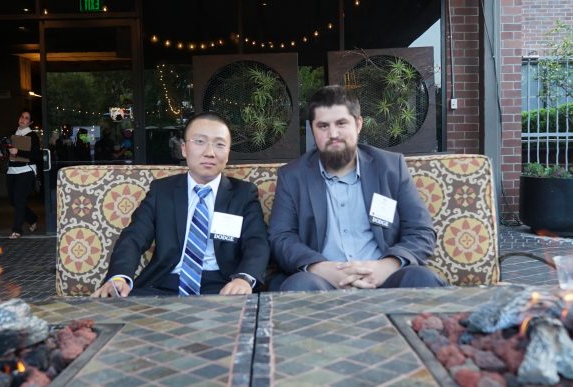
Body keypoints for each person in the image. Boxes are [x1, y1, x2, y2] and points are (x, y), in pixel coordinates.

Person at [269, 85, 446, 291]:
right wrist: (321, 268)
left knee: (422, 279)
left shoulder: (390, 167)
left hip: (384, 279)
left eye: (341, 123)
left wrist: (386, 266)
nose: (333, 133)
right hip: (323, 282)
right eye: (323, 126)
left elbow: (420, 230)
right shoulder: (292, 176)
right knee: (299, 286)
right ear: (312, 129)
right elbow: (281, 237)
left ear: (358, 124)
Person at [92, 112, 270, 297]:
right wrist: (119, 277)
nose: (209, 152)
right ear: (184, 149)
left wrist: (244, 278)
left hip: (222, 285)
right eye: (200, 142)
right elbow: (134, 237)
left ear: (227, 153)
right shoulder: (162, 191)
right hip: (163, 284)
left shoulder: (243, 194)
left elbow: (256, 241)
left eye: (219, 144)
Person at [0, 109, 41, 239]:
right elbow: (8, 152)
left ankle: (17, 230)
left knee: (19, 200)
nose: (23, 119)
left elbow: (36, 155)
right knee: (13, 201)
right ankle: (32, 218)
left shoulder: (32, 136)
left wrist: (19, 152)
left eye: (26, 118)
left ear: (30, 122)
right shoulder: (13, 133)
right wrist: (0, 152)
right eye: (22, 116)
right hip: (12, 170)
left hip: (26, 170)